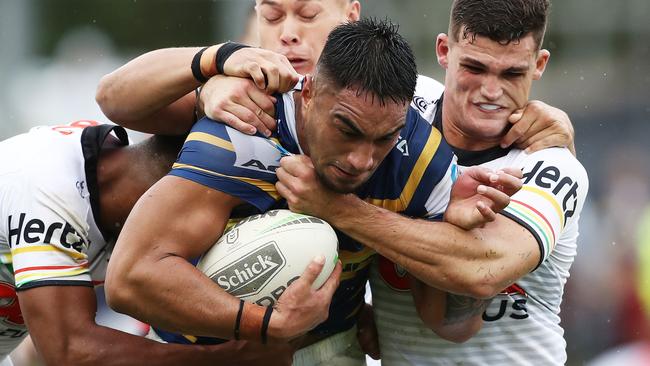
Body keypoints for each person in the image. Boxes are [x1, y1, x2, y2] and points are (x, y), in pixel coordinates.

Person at [103, 19, 521, 366]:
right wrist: (264, 325)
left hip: (329, 350)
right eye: (347, 130)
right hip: (193, 352)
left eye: (384, 138)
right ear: (309, 94)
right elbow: (130, 278)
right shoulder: (247, 130)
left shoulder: (422, 162)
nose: (363, 159)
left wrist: (458, 232)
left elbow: (451, 325)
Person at [273, 1, 589, 365]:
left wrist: (334, 207)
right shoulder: (401, 108)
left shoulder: (551, 164)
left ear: (539, 65)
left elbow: (483, 269)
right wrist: (219, 83)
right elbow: (311, 88)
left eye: (511, 74)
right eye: (474, 67)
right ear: (444, 51)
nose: (490, 91)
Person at [0, 120, 295, 365]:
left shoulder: (110, 183)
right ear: (178, 190)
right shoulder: (48, 186)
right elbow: (68, 352)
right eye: (225, 209)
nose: (223, 225)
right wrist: (225, 359)